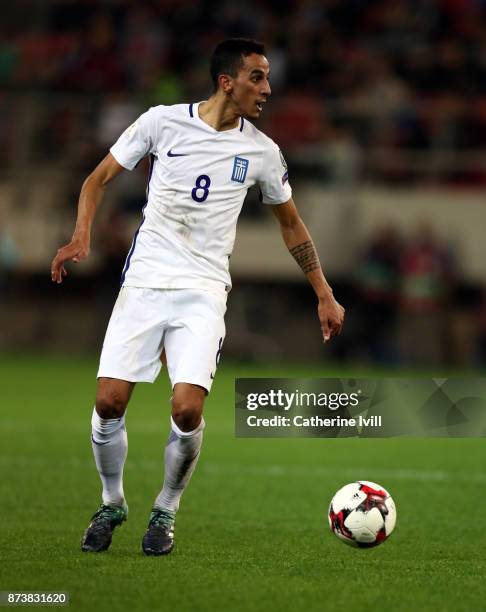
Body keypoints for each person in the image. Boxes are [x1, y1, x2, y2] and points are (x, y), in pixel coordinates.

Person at [50, 38, 345, 557]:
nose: (268, 88)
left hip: (204, 289)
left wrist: (323, 291)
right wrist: (81, 235)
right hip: (144, 280)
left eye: (268, 77)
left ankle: (165, 509)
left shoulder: (261, 152)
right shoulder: (161, 123)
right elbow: (96, 181)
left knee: (187, 410)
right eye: (257, 77)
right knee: (107, 401)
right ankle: (111, 500)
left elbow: (292, 225)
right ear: (227, 81)